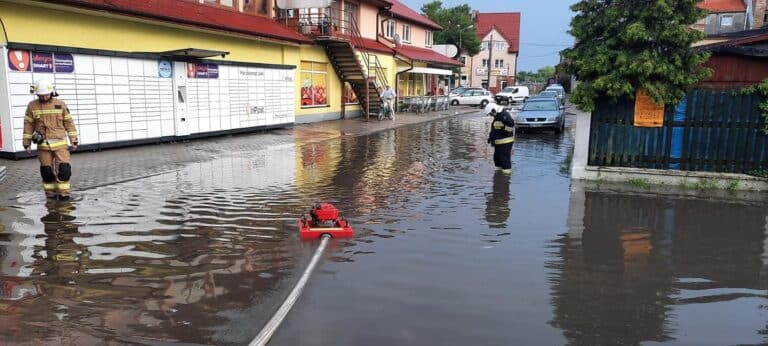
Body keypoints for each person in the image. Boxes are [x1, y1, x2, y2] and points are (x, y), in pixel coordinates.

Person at [23, 78, 78, 200]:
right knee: (46, 173)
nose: (43, 97)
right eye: (41, 95)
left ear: (52, 92)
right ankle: (51, 196)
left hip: (60, 144)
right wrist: (26, 142)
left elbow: (69, 122)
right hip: (43, 145)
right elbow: (28, 124)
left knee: (64, 171)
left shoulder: (60, 104)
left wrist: (73, 139)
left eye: (46, 94)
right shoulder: (32, 106)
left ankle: (64, 195)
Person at [486, 103, 515, 173]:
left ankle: (506, 177)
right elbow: (494, 129)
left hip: (505, 142)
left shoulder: (504, 115)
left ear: (494, 110)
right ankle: (498, 175)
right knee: (497, 158)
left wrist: (505, 130)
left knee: (504, 159)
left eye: (490, 114)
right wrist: (490, 138)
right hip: (499, 142)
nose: (491, 115)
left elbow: (511, 124)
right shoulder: (497, 116)